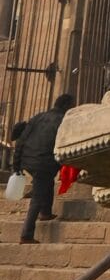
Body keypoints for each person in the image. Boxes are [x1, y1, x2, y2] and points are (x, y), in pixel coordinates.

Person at [14, 89, 75, 243]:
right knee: (37, 197)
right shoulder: (62, 121)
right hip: (44, 162)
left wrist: (16, 164)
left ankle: (46, 212)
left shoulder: (38, 117)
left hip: (28, 161)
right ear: (67, 106)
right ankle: (26, 234)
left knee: (45, 183)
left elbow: (21, 140)